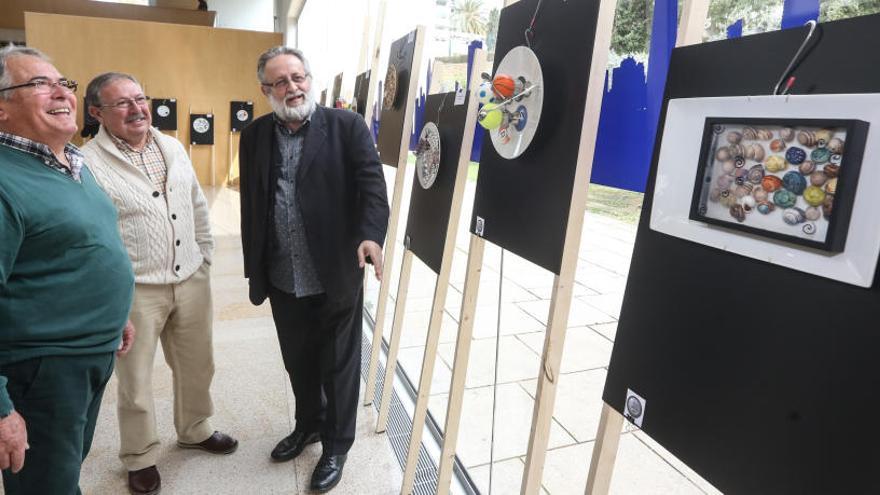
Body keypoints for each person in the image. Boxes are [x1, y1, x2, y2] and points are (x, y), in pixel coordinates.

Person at [239, 46, 389, 492]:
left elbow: (371, 187)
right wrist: (254, 262)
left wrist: (370, 235)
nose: (293, 87)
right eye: (281, 82)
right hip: (282, 272)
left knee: (339, 363)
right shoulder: (254, 136)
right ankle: (308, 425)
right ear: (265, 90)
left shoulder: (346, 127)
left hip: (334, 269)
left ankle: (337, 445)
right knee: (298, 359)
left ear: (310, 79)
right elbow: (253, 202)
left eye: (299, 77)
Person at [82, 72, 237, 495]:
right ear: (97, 112)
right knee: (135, 379)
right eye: (122, 104)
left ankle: (195, 428)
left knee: (197, 363)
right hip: (134, 289)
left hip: (190, 276)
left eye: (140, 99)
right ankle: (140, 456)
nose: (137, 109)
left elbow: (195, 204)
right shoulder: (87, 163)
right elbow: (90, 235)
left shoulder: (170, 145)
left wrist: (204, 254)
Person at [0, 45, 135, 494]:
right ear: (1, 107)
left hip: (89, 356)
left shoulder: (70, 162)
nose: (62, 91)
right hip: (41, 369)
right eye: (39, 83)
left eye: (64, 83)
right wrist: (0, 409)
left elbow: (83, 247)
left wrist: (117, 315)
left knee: (65, 468)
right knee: (46, 486)